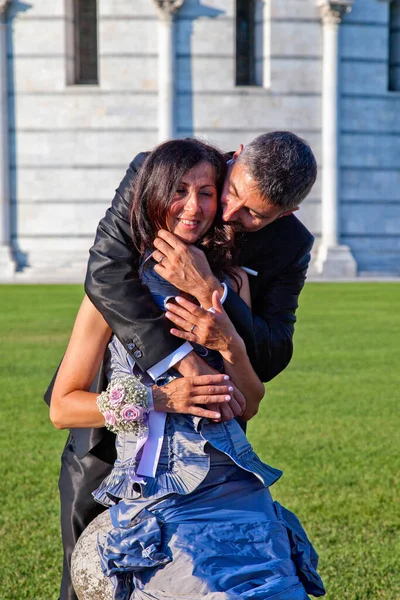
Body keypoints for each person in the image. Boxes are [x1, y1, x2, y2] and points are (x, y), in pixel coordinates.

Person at [45, 131, 317, 600]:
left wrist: (219, 309)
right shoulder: (161, 173)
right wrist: (170, 382)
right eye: (227, 193)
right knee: (92, 572)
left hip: (217, 465)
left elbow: (258, 379)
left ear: (283, 214)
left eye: (251, 213)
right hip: (112, 437)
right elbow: (106, 272)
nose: (224, 213)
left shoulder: (252, 269)